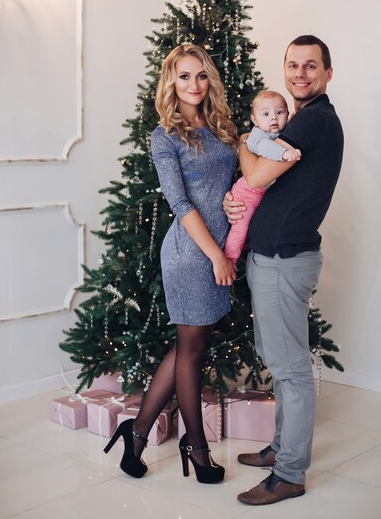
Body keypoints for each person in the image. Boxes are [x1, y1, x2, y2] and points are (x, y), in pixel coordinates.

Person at [104, 44, 238, 484]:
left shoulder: (220, 126)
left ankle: (137, 434)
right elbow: (179, 203)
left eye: (201, 76)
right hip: (190, 253)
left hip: (221, 247)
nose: (194, 85)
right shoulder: (165, 136)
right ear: (171, 82)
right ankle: (196, 448)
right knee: (192, 350)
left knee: (188, 347)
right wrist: (215, 253)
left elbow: (234, 182)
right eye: (184, 77)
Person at [224, 35, 344, 505]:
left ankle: (290, 473)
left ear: (328, 73)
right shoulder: (294, 124)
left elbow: (254, 176)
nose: (300, 74)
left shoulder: (313, 121)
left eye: (311, 66)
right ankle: (280, 449)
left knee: (291, 369)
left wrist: (240, 142)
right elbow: (264, 188)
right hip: (269, 257)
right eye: (293, 65)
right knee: (279, 359)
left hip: (284, 261)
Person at [224, 90, 301, 265]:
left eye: (279, 112)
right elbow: (265, 147)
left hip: (262, 194)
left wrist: (294, 120)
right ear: (254, 120)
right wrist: (284, 154)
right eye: (266, 114)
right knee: (240, 229)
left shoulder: (280, 131)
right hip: (247, 195)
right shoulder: (257, 135)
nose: (273, 118)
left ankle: (245, 252)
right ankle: (230, 259)